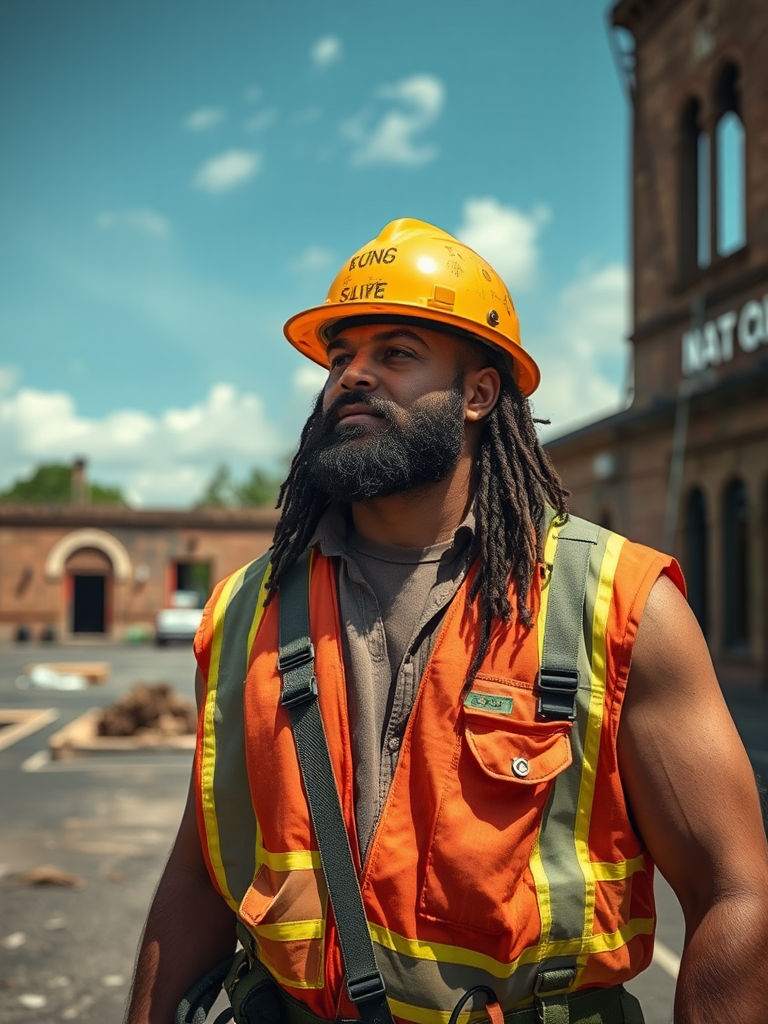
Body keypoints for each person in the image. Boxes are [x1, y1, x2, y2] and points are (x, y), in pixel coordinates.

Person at [126, 219, 768, 1024]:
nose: (351, 377)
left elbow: (734, 889)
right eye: (338, 359)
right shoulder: (243, 612)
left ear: (478, 394)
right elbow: (199, 874)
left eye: (394, 354)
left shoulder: (618, 603)